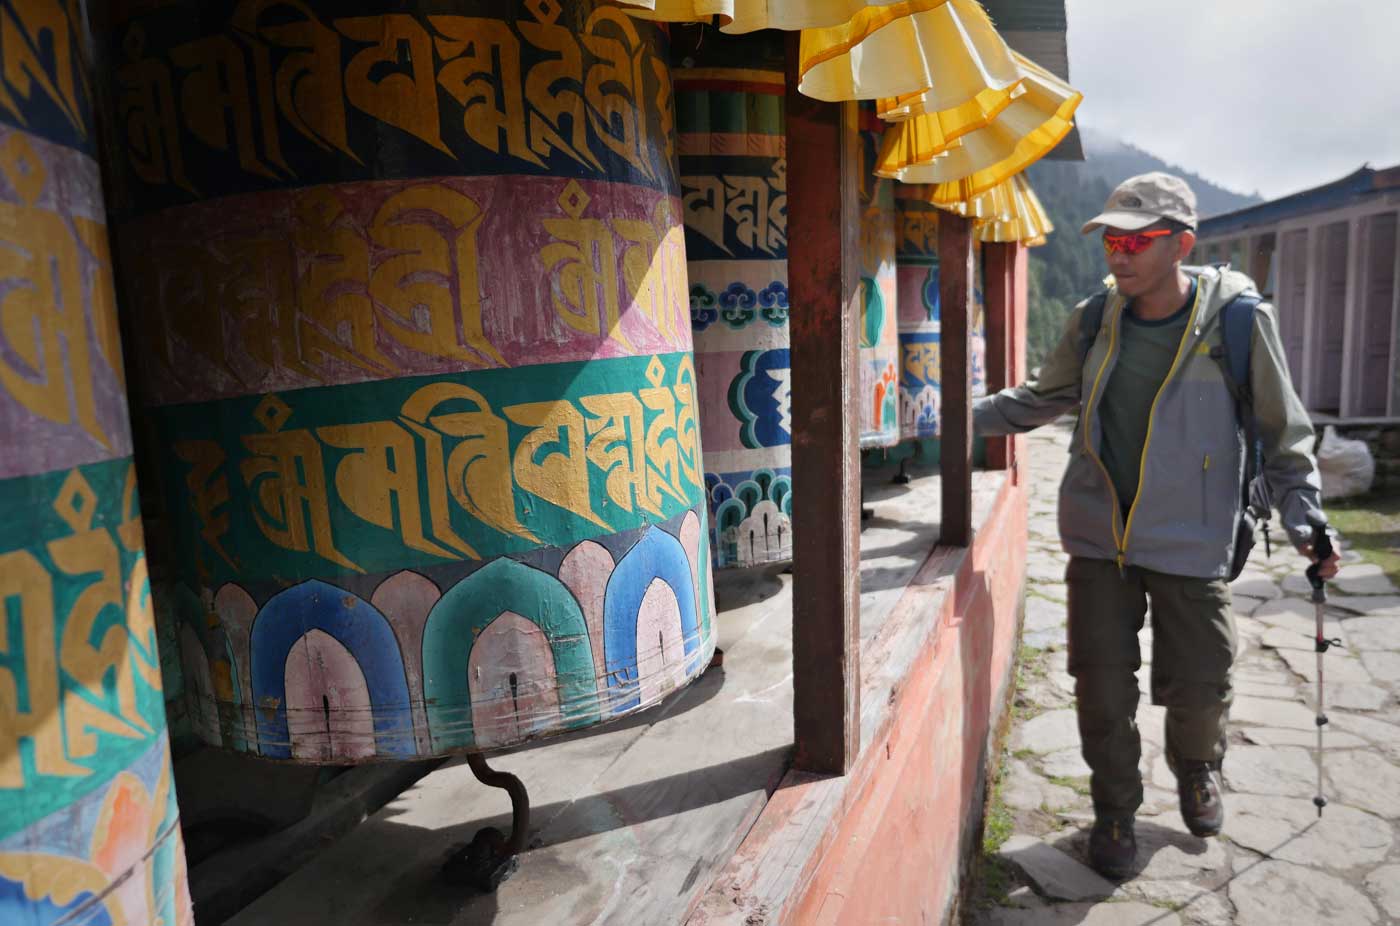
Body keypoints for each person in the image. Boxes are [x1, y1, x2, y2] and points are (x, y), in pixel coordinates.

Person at [973, 172, 1342, 879]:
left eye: (1137, 239)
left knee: (1202, 681)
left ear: (1181, 245)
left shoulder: (1237, 321)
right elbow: (1037, 400)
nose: (1119, 253)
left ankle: (1198, 771)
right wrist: (944, 416)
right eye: (1112, 239)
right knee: (1102, 686)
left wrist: (1307, 521)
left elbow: (1283, 432)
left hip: (1194, 539)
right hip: (1099, 540)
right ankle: (1114, 811)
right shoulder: (1093, 320)